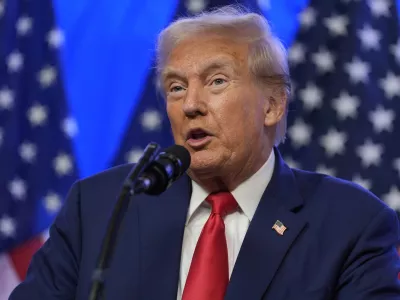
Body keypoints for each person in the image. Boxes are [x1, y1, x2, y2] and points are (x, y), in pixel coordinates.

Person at [10, 5, 400, 300]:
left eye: (216, 81)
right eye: (176, 87)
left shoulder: (352, 224)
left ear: (273, 105)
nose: (190, 104)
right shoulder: (101, 207)